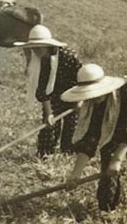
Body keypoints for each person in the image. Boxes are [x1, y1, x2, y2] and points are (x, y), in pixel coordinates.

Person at [60, 63, 127, 211]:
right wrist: (76, 173)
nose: (92, 97)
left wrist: (118, 159)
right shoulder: (91, 104)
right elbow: (90, 138)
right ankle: (108, 207)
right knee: (108, 170)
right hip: (108, 130)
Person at [14, 24, 82, 157]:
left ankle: (67, 153)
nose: (36, 51)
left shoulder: (69, 56)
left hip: (73, 94)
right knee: (49, 128)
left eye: (39, 47)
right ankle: (46, 154)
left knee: (71, 128)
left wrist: (80, 101)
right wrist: (49, 113)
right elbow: (42, 90)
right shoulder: (39, 61)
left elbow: (81, 80)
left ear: (48, 45)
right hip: (53, 96)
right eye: (33, 48)